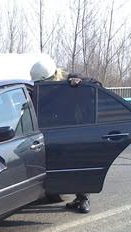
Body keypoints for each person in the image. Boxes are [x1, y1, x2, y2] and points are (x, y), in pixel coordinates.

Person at [30, 54, 89, 214]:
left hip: (72, 130)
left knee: (75, 165)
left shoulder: (71, 81)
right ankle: (54, 191)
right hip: (51, 131)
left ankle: (83, 197)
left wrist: (81, 83)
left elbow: (96, 86)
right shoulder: (41, 88)